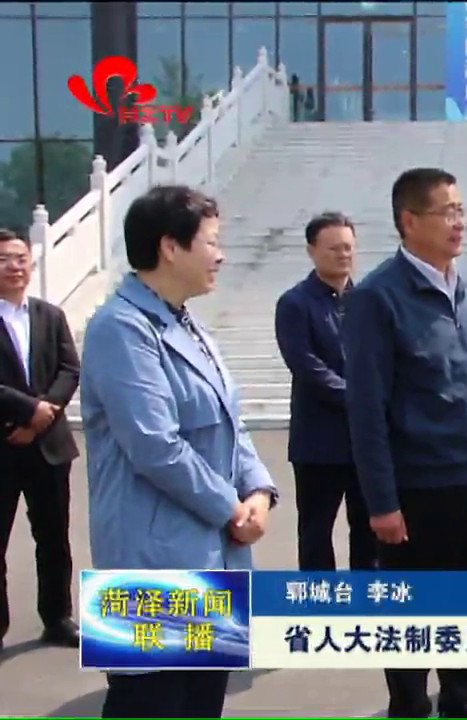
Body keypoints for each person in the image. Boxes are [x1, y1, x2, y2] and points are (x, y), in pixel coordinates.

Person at [79, 185, 278, 718]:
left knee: (201, 701)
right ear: (170, 247)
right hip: (151, 557)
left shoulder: (187, 323)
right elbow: (154, 444)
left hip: (212, 552)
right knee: (151, 701)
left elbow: (231, 421)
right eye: (211, 242)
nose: (221, 255)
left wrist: (258, 490)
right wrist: (231, 508)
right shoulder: (121, 328)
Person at [344, 167, 467, 719]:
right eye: (447, 212)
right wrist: (381, 502)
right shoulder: (378, 298)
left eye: (461, 210)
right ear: (409, 221)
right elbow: (366, 409)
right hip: (416, 488)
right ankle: (409, 706)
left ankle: (463, 702)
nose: (459, 222)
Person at [274, 211, 376, 571]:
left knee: (370, 533)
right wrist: (362, 398)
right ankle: (321, 601)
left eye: (348, 247)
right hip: (318, 444)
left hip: (365, 443)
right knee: (316, 535)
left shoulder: (368, 300)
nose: (343, 255)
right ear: (311, 251)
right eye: (334, 248)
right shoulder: (295, 304)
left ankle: (368, 601)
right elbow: (307, 367)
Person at [0, 228, 81, 651]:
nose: (14, 267)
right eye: (4, 260)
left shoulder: (49, 315)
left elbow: (70, 368)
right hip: (4, 443)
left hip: (48, 444)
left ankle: (57, 616)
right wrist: (26, 409)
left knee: (53, 538)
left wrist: (43, 412)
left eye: (20, 258)